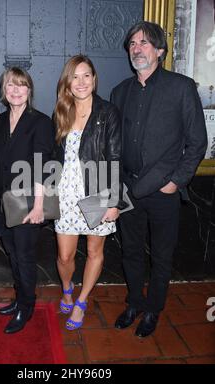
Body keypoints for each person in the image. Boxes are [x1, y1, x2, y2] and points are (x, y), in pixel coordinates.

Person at [110, 21, 208, 337]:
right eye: (132, 44)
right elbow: (113, 144)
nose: (136, 48)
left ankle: (153, 309)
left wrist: (176, 181)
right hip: (128, 188)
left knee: (162, 256)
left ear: (160, 51)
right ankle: (135, 302)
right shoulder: (119, 91)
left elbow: (197, 142)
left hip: (164, 190)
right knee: (131, 252)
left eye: (144, 43)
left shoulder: (181, 87)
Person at [54, 55, 125, 331]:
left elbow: (115, 157)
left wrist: (113, 202)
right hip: (65, 195)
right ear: (67, 82)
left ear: (94, 80)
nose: (81, 82)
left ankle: (81, 301)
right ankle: (67, 288)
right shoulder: (62, 111)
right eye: (75, 76)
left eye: (87, 75)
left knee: (95, 250)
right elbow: (54, 156)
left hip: (97, 191)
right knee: (64, 257)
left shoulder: (108, 112)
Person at [0, 67, 54, 334]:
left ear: (29, 89)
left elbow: (42, 165)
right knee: (13, 254)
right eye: (10, 86)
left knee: (25, 257)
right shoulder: (1, 121)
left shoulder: (40, 121)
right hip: (4, 199)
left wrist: (39, 205)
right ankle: (20, 299)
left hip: (28, 199)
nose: (16, 90)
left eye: (21, 85)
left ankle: (26, 306)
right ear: (4, 91)